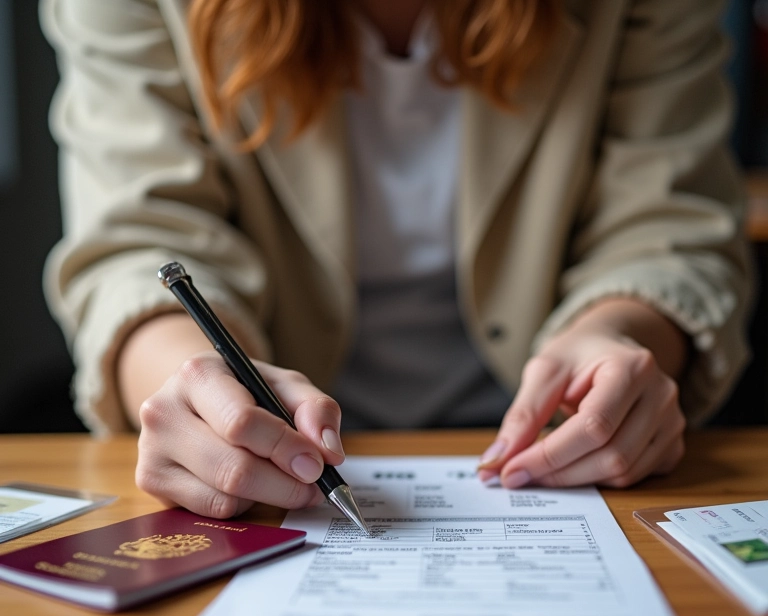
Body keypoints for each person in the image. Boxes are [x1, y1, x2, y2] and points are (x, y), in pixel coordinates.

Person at [41, 0, 752, 519]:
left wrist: (620, 331)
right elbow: (134, 240)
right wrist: (194, 388)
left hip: (561, 459)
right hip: (276, 474)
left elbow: (669, 221)